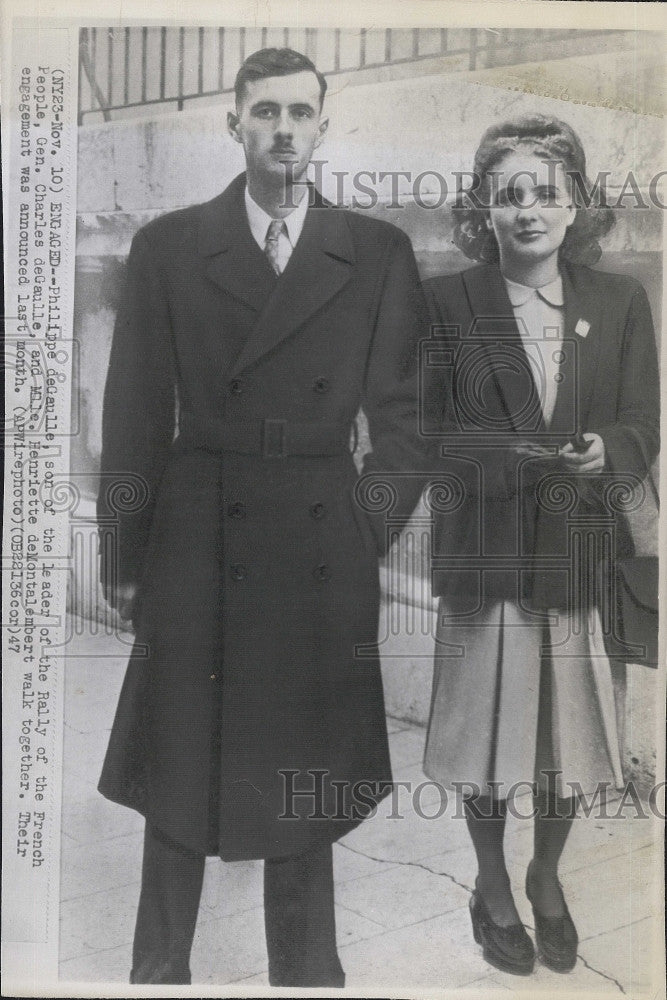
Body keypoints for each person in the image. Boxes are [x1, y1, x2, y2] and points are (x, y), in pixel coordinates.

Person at [96, 47, 428, 986]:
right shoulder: (168, 245)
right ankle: (157, 972)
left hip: (319, 542)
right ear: (232, 123)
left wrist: (360, 531)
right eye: (264, 112)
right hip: (196, 538)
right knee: (177, 770)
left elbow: (406, 423)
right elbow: (130, 417)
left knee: (303, 778)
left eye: (300, 113)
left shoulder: (374, 252)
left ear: (325, 126)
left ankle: (307, 974)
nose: (282, 129)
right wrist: (126, 562)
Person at [421, 115, 659, 976]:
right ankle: (489, 885)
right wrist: (512, 454)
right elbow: (424, 430)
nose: (526, 209)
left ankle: (545, 877)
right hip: (485, 553)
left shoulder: (618, 301)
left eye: (545, 193)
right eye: (508, 193)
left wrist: (609, 450)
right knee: (486, 741)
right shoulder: (447, 303)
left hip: (578, 555)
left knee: (567, 741)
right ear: (483, 207)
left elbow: (642, 421)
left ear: (575, 207)